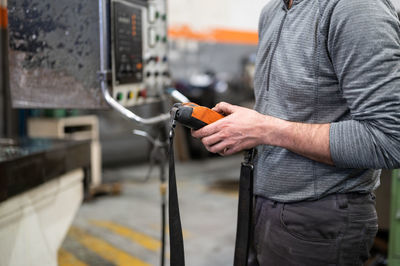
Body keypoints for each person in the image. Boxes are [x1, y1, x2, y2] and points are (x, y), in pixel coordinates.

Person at [192, 0, 400, 265]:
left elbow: (389, 138)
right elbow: (286, 110)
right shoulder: (273, 11)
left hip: (320, 217)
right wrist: (243, 127)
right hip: (261, 205)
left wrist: (264, 129)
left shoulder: (355, 7)